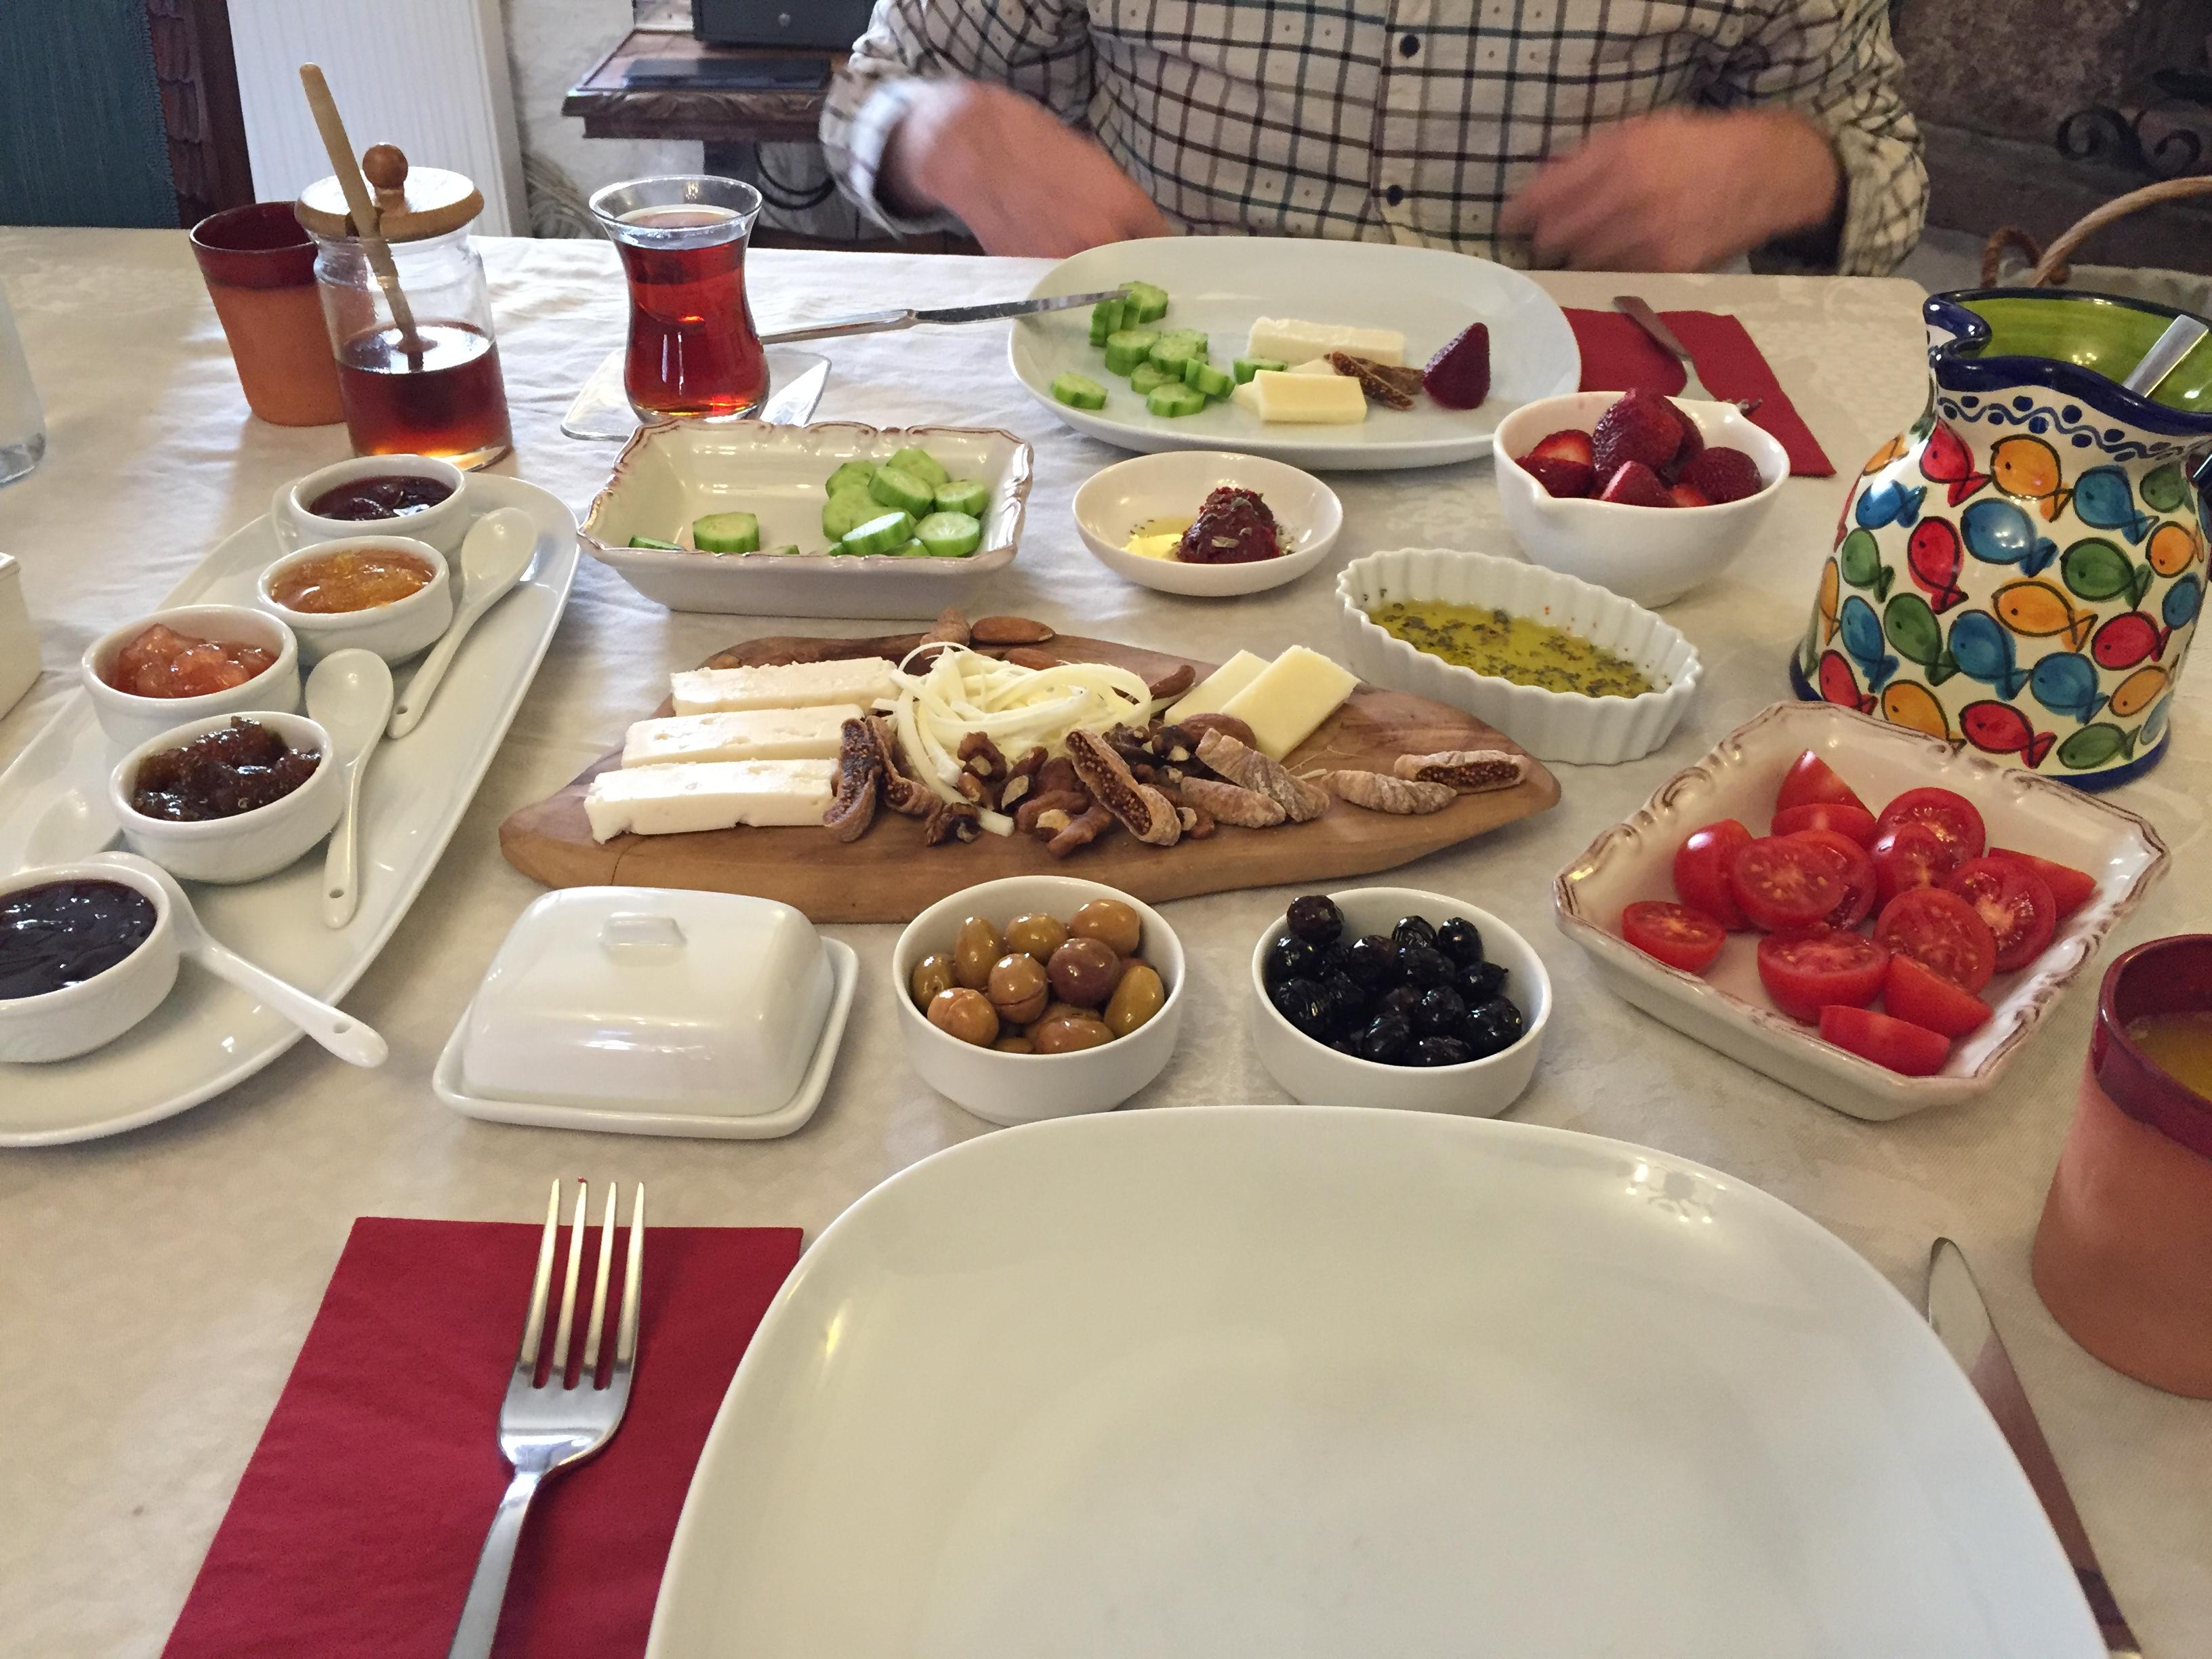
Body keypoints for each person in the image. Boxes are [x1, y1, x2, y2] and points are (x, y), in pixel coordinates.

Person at [821, 0, 1925, 276]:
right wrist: (934, 133)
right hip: (1154, 425)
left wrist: (1798, 170)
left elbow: (1882, 152)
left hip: (1576, 456)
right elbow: (876, 86)